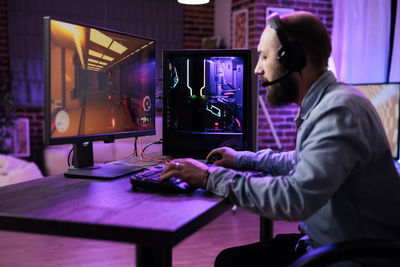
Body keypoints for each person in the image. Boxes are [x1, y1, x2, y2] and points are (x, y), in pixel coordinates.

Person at [161, 11, 400, 267]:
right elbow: (303, 161)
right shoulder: (330, 102)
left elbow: (295, 198)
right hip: (327, 244)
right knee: (230, 260)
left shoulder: (338, 111)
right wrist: (242, 159)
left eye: (264, 56)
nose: (257, 68)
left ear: (294, 59)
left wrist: (209, 177)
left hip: (350, 257)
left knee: (230, 263)